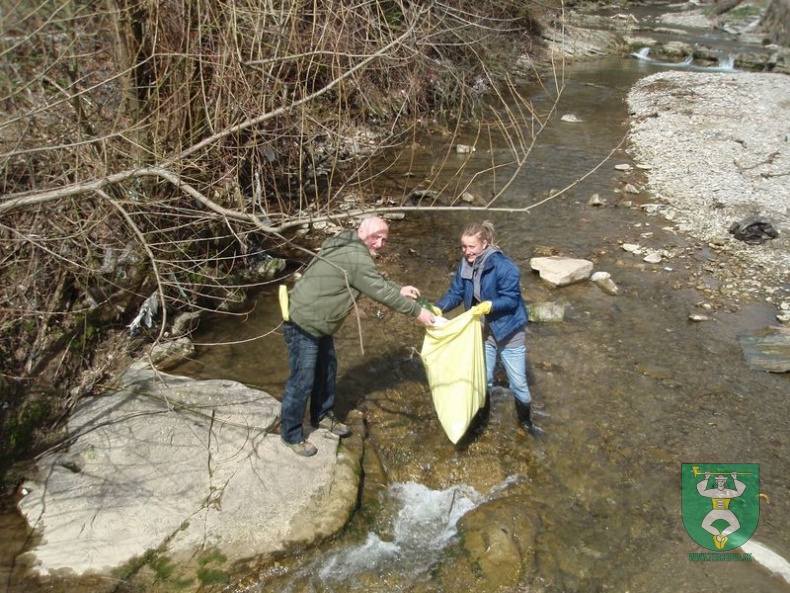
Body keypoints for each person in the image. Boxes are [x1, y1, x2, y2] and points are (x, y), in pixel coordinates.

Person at [281, 215, 436, 456]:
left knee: (328, 369)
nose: (380, 244)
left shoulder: (345, 239)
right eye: (376, 237)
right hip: (304, 321)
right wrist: (418, 312)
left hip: (320, 321)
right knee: (302, 381)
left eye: (384, 239)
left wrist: (399, 289)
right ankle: (291, 434)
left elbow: (373, 280)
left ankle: (321, 416)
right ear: (361, 232)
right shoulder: (355, 257)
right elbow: (377, 290)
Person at [434, 220, 542, 436]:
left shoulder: (505, 267)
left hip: (509, 331)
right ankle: (481, 421)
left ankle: (526, 423)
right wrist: (438, 308)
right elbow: (456, 293)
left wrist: (489, 305)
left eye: (471, 247)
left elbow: (511, 299)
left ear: (485, 243)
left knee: (518, 382)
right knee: (483, 379)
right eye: (463, 247)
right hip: (482, 332)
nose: (467, 252)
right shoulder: (464, 265)